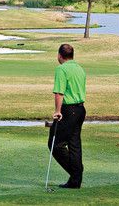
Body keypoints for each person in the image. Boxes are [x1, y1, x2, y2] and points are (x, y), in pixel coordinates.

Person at [49, 43, 86, 189]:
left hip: (68, 110)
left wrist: (58, 111)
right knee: (74, 144)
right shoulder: (79, 68)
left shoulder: (61, 69)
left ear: (59, 55)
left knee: (55, 143)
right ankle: (75, 181)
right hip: (80, 110)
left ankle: (76, 174)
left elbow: (59, 92)